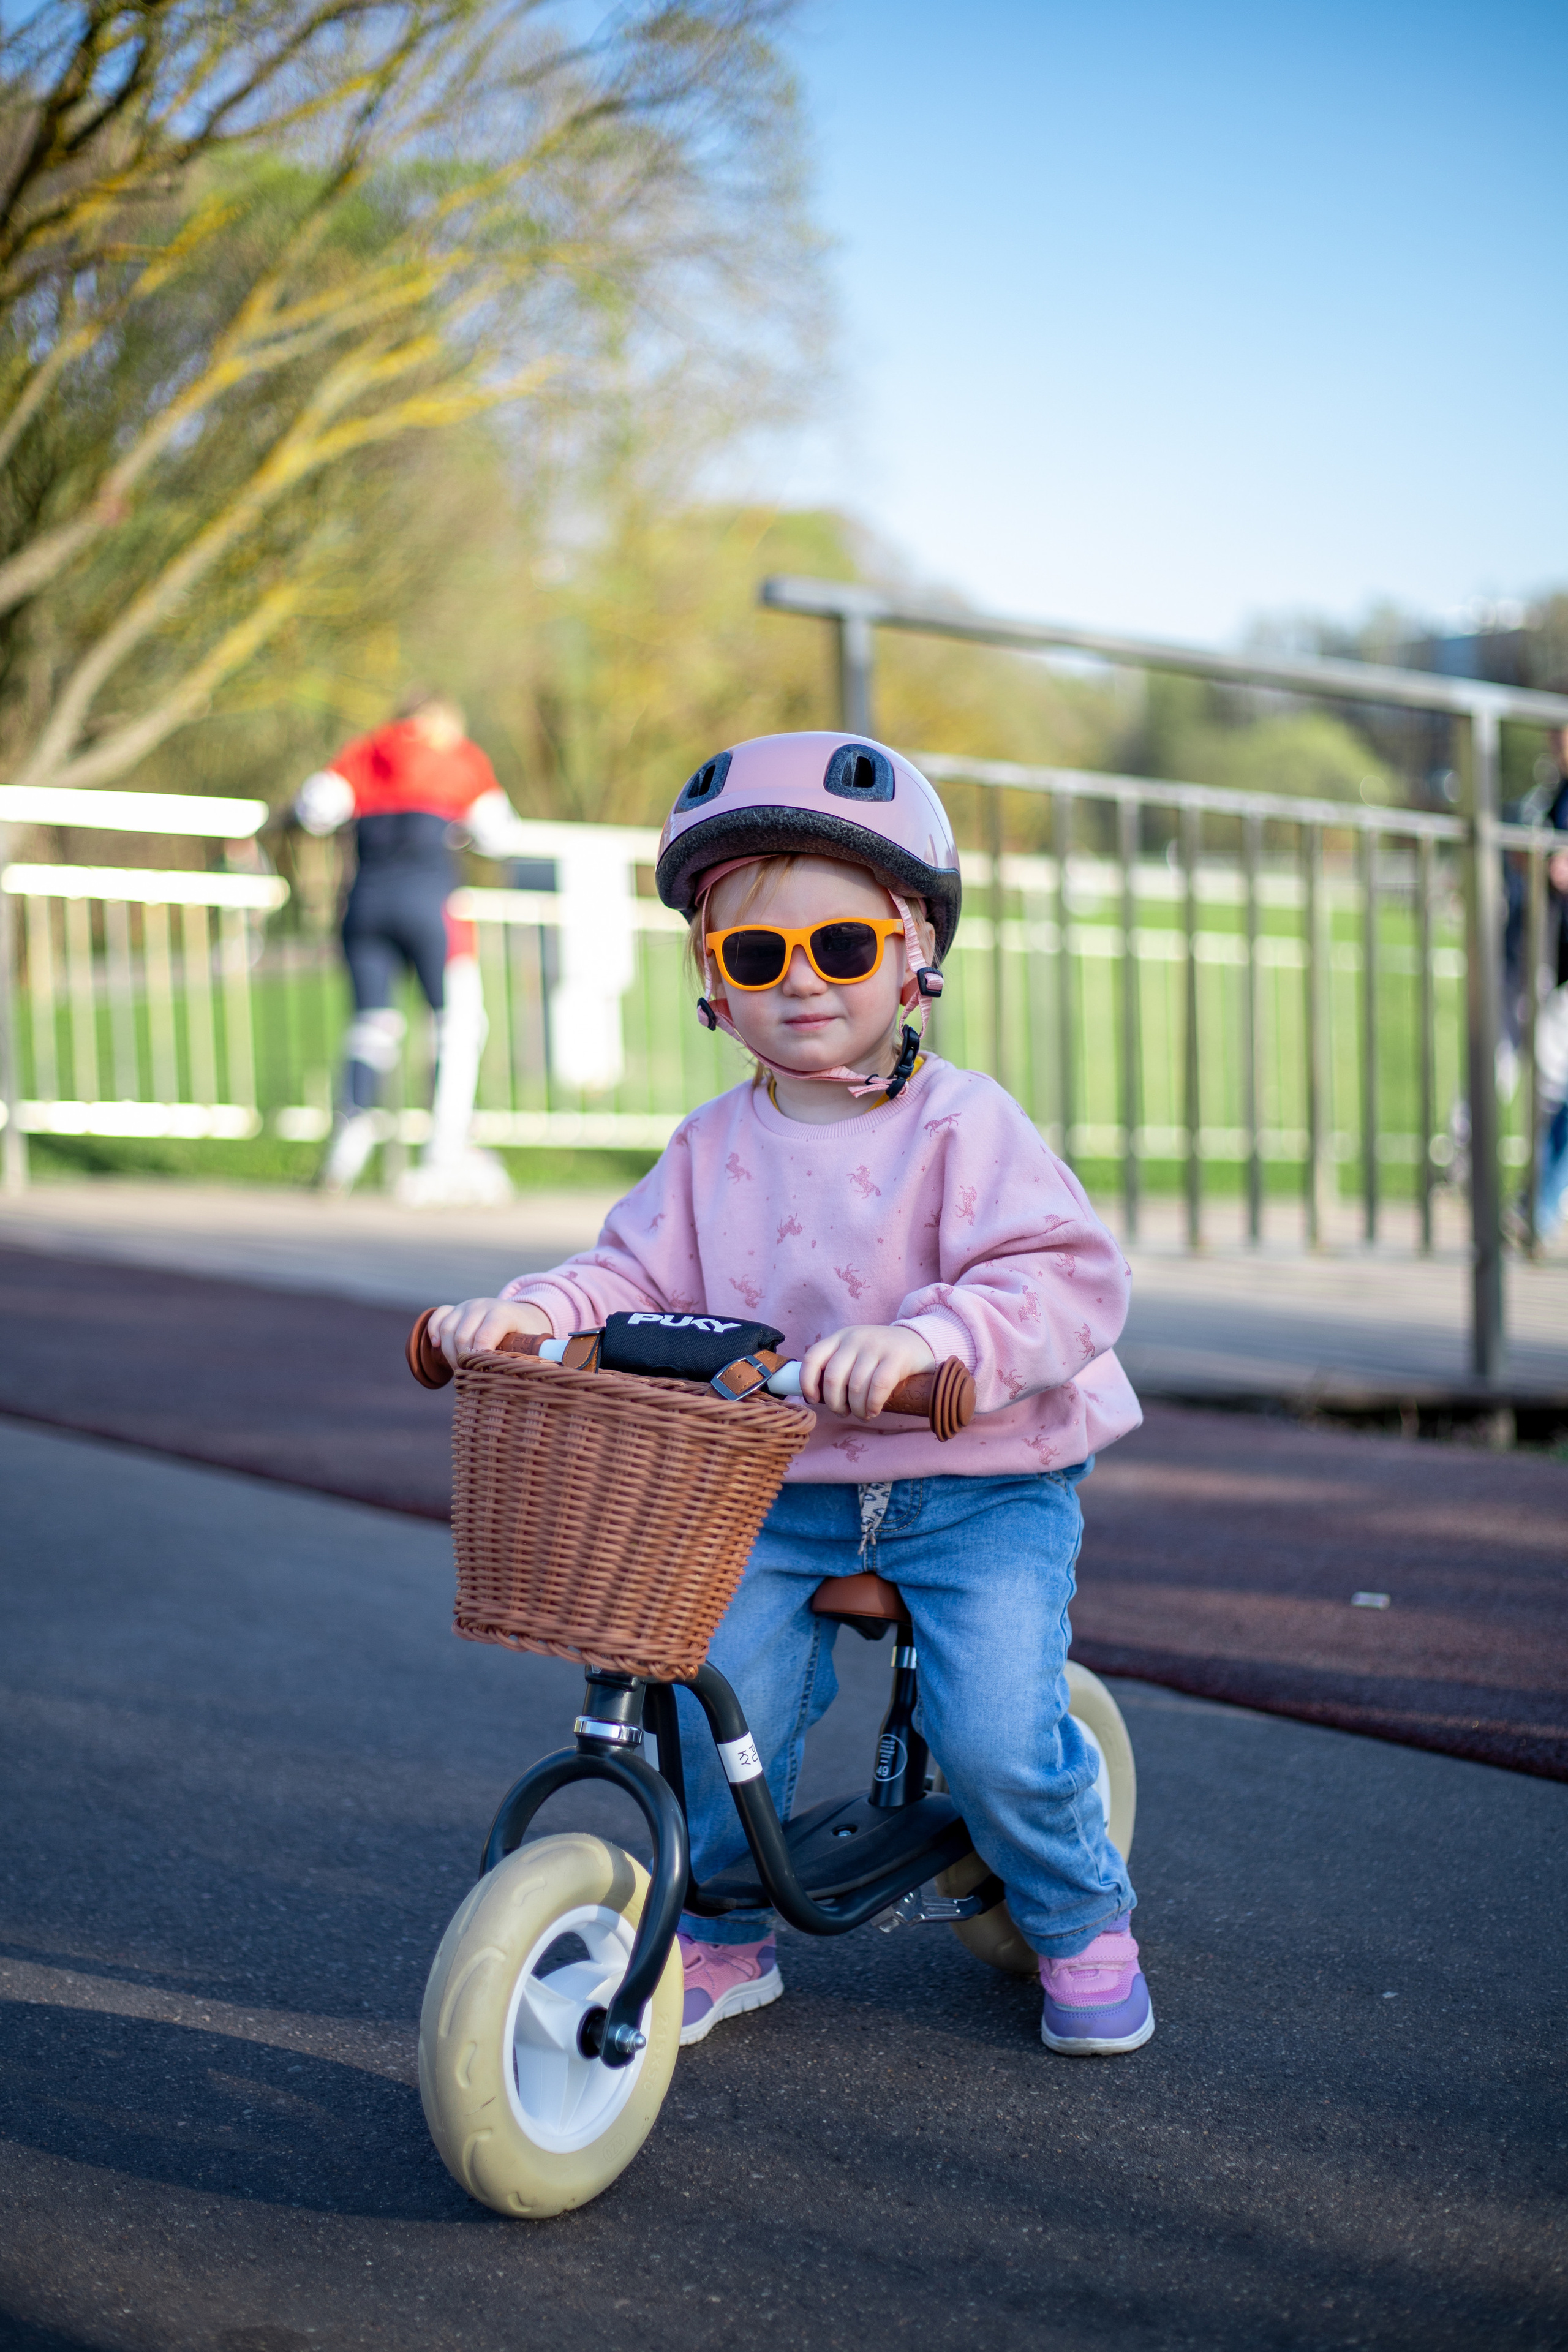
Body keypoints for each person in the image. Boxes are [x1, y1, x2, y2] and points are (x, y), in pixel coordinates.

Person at [425, 731, 1150, 2057]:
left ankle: (1078, 1912)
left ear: (914, 949)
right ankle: (723, 1926)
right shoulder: (708, 1151)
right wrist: (533, 1313)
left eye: (842, 949)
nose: (799, 982)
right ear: (713, 982)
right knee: (708, 1711)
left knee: (992, 1737)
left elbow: (1067, 1280)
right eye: (756, 957)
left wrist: (935, 1340)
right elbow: (623, 1274)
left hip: (975, 1488)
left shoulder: (965, 1127)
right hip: (774, 1489)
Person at [294, 690, 531, 1201]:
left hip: (364, 906)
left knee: (372, 1026)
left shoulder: (364, 752)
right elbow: (499, 834)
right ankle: (444, 1150)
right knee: (457, 1025)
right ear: (441, 721)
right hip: (430, 909)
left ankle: (347, 1150)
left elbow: (315, 807)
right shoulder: (460, 759)